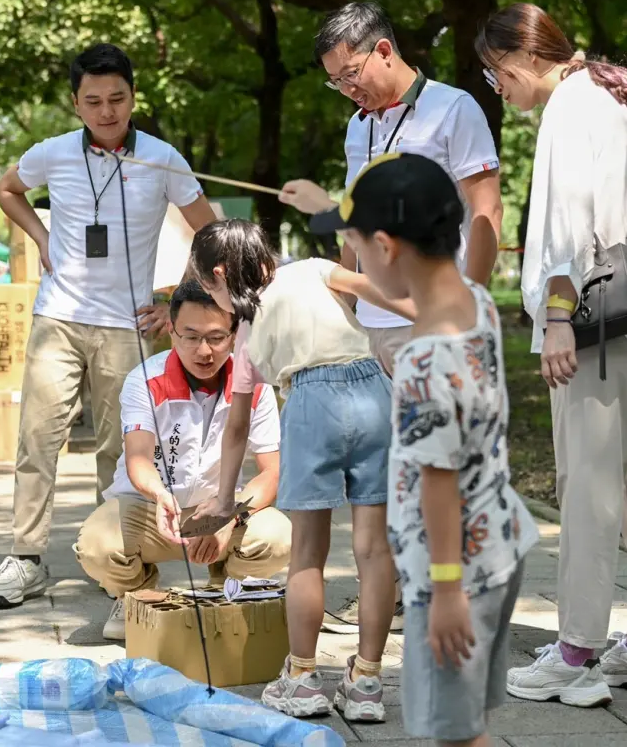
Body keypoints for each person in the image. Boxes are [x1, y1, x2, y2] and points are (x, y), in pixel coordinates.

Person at [478, 3, 627, 706]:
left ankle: (575, 654)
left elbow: (572, 226)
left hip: (603, 326)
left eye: (495, 76)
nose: (499, 90)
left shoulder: (572, 108)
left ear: (516, 60)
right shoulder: (615, 97)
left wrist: (555, 318)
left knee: (589, 491)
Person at [282, 0, 505, 634]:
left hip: (437, 313)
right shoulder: (360, 127)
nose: (346, 88)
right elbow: (353, 219)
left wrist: (473, 302)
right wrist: (344, 299)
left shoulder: (453, 109)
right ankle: (407, 589)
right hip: (378, 323)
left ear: (384, 50)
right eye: (335, 80)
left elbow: (485, 210)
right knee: (396, 465)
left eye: (351, 72)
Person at [309, 151, 539, 746]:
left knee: (453, 735)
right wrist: (329, 218)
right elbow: (418, 300)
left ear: (385, 247)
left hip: (455, 570)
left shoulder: (422, 362)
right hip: (499, 540)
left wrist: (444, 593)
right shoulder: (473, 304)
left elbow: (437, 479)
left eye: (356, 243)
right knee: (466, 726)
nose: (354, 254)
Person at [0, 43, 218, 608]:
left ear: (134, 97)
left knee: (122, 451)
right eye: (93, 101)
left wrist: (177, 303)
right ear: (76, 103)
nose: (107, 111)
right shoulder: (53, 154)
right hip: (57, 317)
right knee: (37, 437)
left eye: (117, 98)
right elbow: (6, 188)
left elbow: (210, 230)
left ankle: (113, 557)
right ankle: (27, 557)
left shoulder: (162, 157)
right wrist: (40, 239)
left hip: (128, 324)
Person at [190, 219, 414, 722]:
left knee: (308, 554)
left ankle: (302, 678)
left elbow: (238, 427)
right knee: (376, 549)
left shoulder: (245, 334)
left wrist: (225, 499)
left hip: (312, 406)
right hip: (372, 391)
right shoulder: (314, 269)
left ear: (221, 274)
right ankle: (368, 682)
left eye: (208, 286)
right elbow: (376, 290)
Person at [73, 279, 291, 641]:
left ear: (235, 334)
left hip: (218, 508)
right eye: (191, 336)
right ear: (171, 332)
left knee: (279, 536)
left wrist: (229, 515)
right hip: (151, 509)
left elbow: (272, 473)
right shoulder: (145, 379)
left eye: (217, 337)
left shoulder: (255, 385)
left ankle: (226, 589)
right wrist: (160, 495)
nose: (204, 351)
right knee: (97, 545)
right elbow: (138, 458)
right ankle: (135, 595)